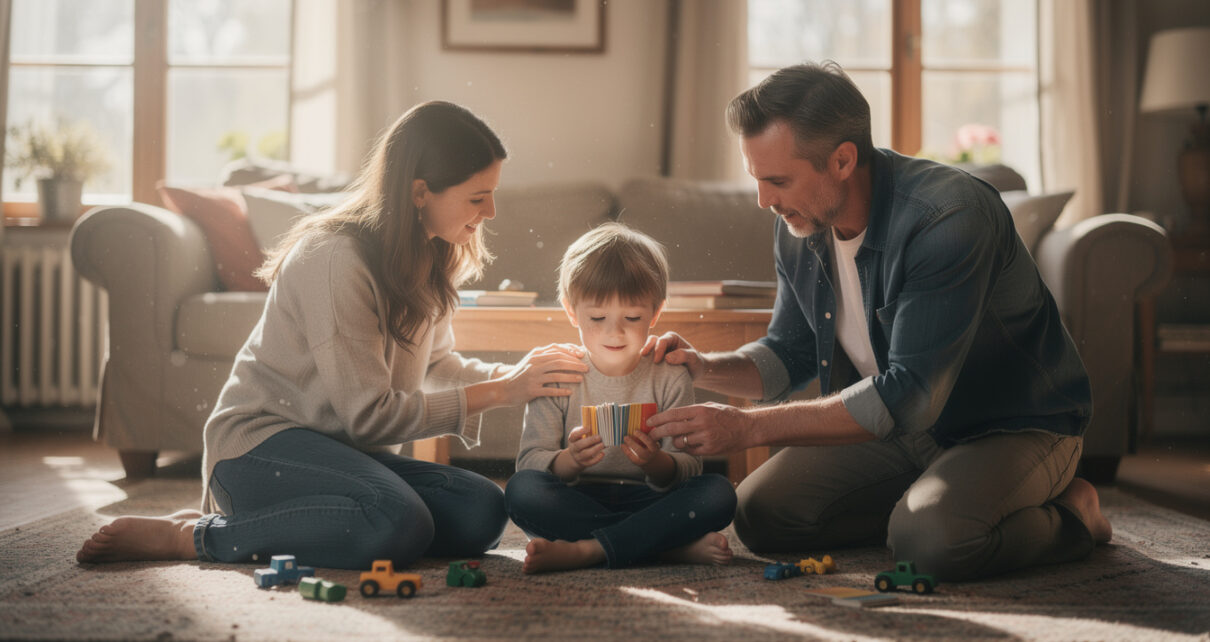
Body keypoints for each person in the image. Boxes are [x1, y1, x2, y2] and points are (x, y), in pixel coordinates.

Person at [642, 62, 1113, 582]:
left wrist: (747, 427)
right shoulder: (801, 225)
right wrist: (701, 367)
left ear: (842, 160)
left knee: (930, 546)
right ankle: (931, 504)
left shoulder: (948, 217)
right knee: (761, 516)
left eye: (777, 180)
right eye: (757, 180)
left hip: (1010, 425)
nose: (764, 201)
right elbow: (789, 351)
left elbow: (909, 393)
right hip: (901, 432)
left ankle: (1072, 514)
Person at [76, 101, 589, 569]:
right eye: (479, 197)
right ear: (419, 191)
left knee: (481, 511)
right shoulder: (334, 258)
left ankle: (329, 520)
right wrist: (504, 390)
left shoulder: (434, 253)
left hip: (345, 457)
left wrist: (525, 377)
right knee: (397, 521)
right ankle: (193, 536)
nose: (491, 213)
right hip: (259, 450)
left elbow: (437, 368)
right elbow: (369, 417)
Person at [505, 222, 737, 574]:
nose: (615, 332)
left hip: (651, 500)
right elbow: (530, 462)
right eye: (597, 317)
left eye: (632, 317)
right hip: (581, 498)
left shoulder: (669, 374)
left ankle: (588, 550)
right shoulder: (558, 373)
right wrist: (570, 461)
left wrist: (654, 463)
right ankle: (664, 547)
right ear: (571, 311)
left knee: (719, 493)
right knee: (522, 491)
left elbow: (690, 468)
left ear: (656, 313)